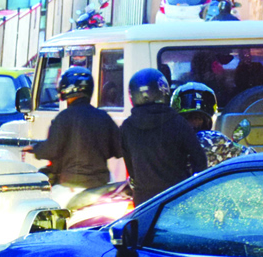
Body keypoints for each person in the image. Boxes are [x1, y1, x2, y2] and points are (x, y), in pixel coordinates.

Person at [32, 66, 122, 205]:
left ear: (66, 88)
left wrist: (36, 148)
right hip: (101, 185)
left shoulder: (63, 118)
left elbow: (51, 149)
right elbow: (119, 149)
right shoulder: (104, 117)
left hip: (71, 186)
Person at [119, 68, 207, 203]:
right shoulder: (178, 122)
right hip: (176, 198)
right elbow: (200, 161)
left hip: (144, 203)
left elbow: (131, 169)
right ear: (164, 91)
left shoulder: (127, 127)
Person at [172, 82, 255, 166]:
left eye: (199, 118)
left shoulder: (166, 141)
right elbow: (253, 160)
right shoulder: (215, 140)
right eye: (189, 118)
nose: (194, 124)